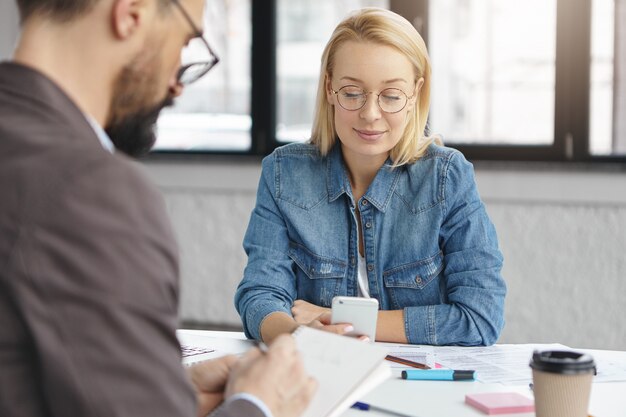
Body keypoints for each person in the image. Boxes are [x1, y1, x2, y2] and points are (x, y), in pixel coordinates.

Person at [0, 1, 316, 417]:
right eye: (187, 40)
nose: (178, 84)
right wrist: (257, 405)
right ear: (132, 13)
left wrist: (168, 389)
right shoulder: (92, 188)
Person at [235, 8, 507, 347]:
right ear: (330, 88)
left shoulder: (447, 177)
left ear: (415, 96)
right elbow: (260, 295)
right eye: (352, 93)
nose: (370, 114)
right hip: (317, 373)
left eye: (391, 96)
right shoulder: (284, 173)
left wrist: (341, 322)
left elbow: (481, 318)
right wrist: (300, 334)